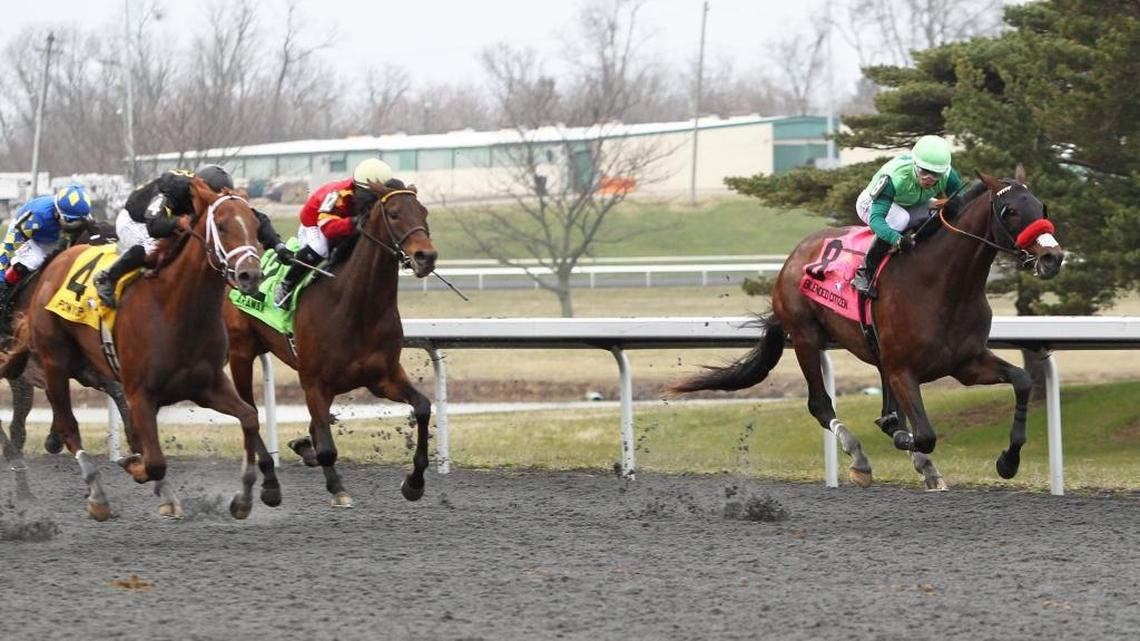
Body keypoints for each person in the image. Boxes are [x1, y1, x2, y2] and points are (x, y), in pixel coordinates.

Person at [93, 164, 293, 308]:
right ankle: (108, 277)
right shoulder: (172, 188)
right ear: (199, 190)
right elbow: (154, 225)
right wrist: (179, 223)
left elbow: (256, 218)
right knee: (150, 246)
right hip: (137, 220)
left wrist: (277, 245)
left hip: (165, 220)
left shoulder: (215, 199)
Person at [850, 135, 965, 298]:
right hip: (871, 203)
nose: (929, 179)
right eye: (924, 172)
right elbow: (877, 220)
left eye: (936, 175)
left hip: (908, 201)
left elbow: (963, 202)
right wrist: (897, 239)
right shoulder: (894, 177)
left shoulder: (948, 175)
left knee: (944, 210)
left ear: (944, 170)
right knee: (900, 219)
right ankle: (864, 273)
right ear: (915, 165)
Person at [272, 157, 393, 308]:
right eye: (369, 195)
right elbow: (328, 227)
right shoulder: (338, 194)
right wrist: (354, 222)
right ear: (357, 188)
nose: (372, 201)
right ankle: (286, 285)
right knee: (320, 248)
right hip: (315, 221)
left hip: (346, 219)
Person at [0, 184, 93, 297]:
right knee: (35, 260)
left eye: (80, 220)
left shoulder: (81, 215)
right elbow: (7, 247)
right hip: (30, 236)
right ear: (57, 212)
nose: (75, 225)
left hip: (52, 238)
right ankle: (5, 292)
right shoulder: (37, 217)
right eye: (69, 220)